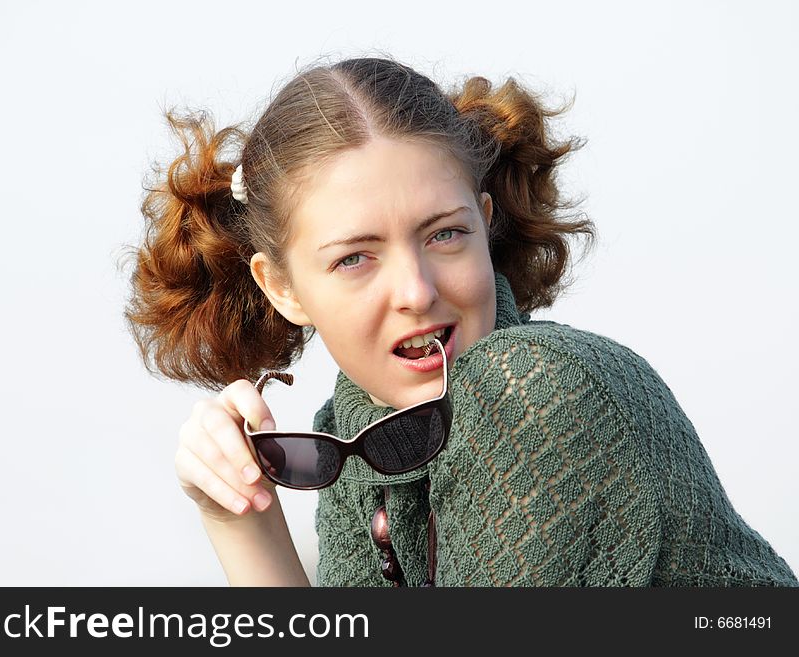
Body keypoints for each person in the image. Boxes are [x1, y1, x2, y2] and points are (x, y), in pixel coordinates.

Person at [123, 56, 798, 587]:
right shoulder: (356, 430)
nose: (416, 290)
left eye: (443, 235)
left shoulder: (535, 391)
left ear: (483, 221)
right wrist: (238, 512)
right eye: (356, 257)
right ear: (283, 288)